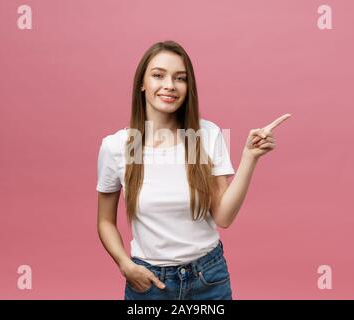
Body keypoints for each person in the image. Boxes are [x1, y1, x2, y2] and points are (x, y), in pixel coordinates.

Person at [96, 40, 290, 300]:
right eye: (158, 75)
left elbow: (223, 217)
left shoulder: (204, 136)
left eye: (180, 78)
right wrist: (125, 265)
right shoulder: (119, 146)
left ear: (188, 88)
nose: (169, 85)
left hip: (207, 279)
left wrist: (249, 157)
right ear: (142, 84)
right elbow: (105, 221)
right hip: (149, 283)